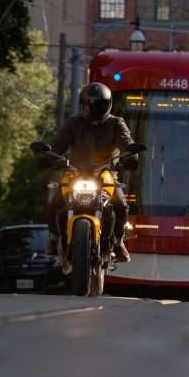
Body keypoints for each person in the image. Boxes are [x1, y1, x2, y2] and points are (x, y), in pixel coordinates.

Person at [46, 82, 136, 263]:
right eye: (88, 105)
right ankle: (54, 240)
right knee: (55, 201)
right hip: (75, 173)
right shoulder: (73, 123)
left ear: (107, 105)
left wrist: (130, 155)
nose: (93, 109)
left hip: (104, 173)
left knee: (120, 204)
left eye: (98, 105)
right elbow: (58, 145)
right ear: (82, 105)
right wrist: (49, 156)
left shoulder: (116, 123)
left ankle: (118, 242)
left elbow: (126, 141)